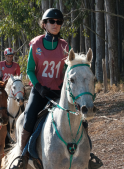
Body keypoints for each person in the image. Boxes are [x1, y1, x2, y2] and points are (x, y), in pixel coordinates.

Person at [18, 8, 101, 169]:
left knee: (82, 120)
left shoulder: (65, 46)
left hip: (60, 91)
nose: (55, 24)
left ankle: (86, 155)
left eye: (59, 22)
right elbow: (29, 70)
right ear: (44, 24)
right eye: (51, 21)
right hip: (40, 91)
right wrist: (38, 86)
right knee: (28, 119)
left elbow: (70, 71)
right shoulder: (35, 44)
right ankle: (22, 157)